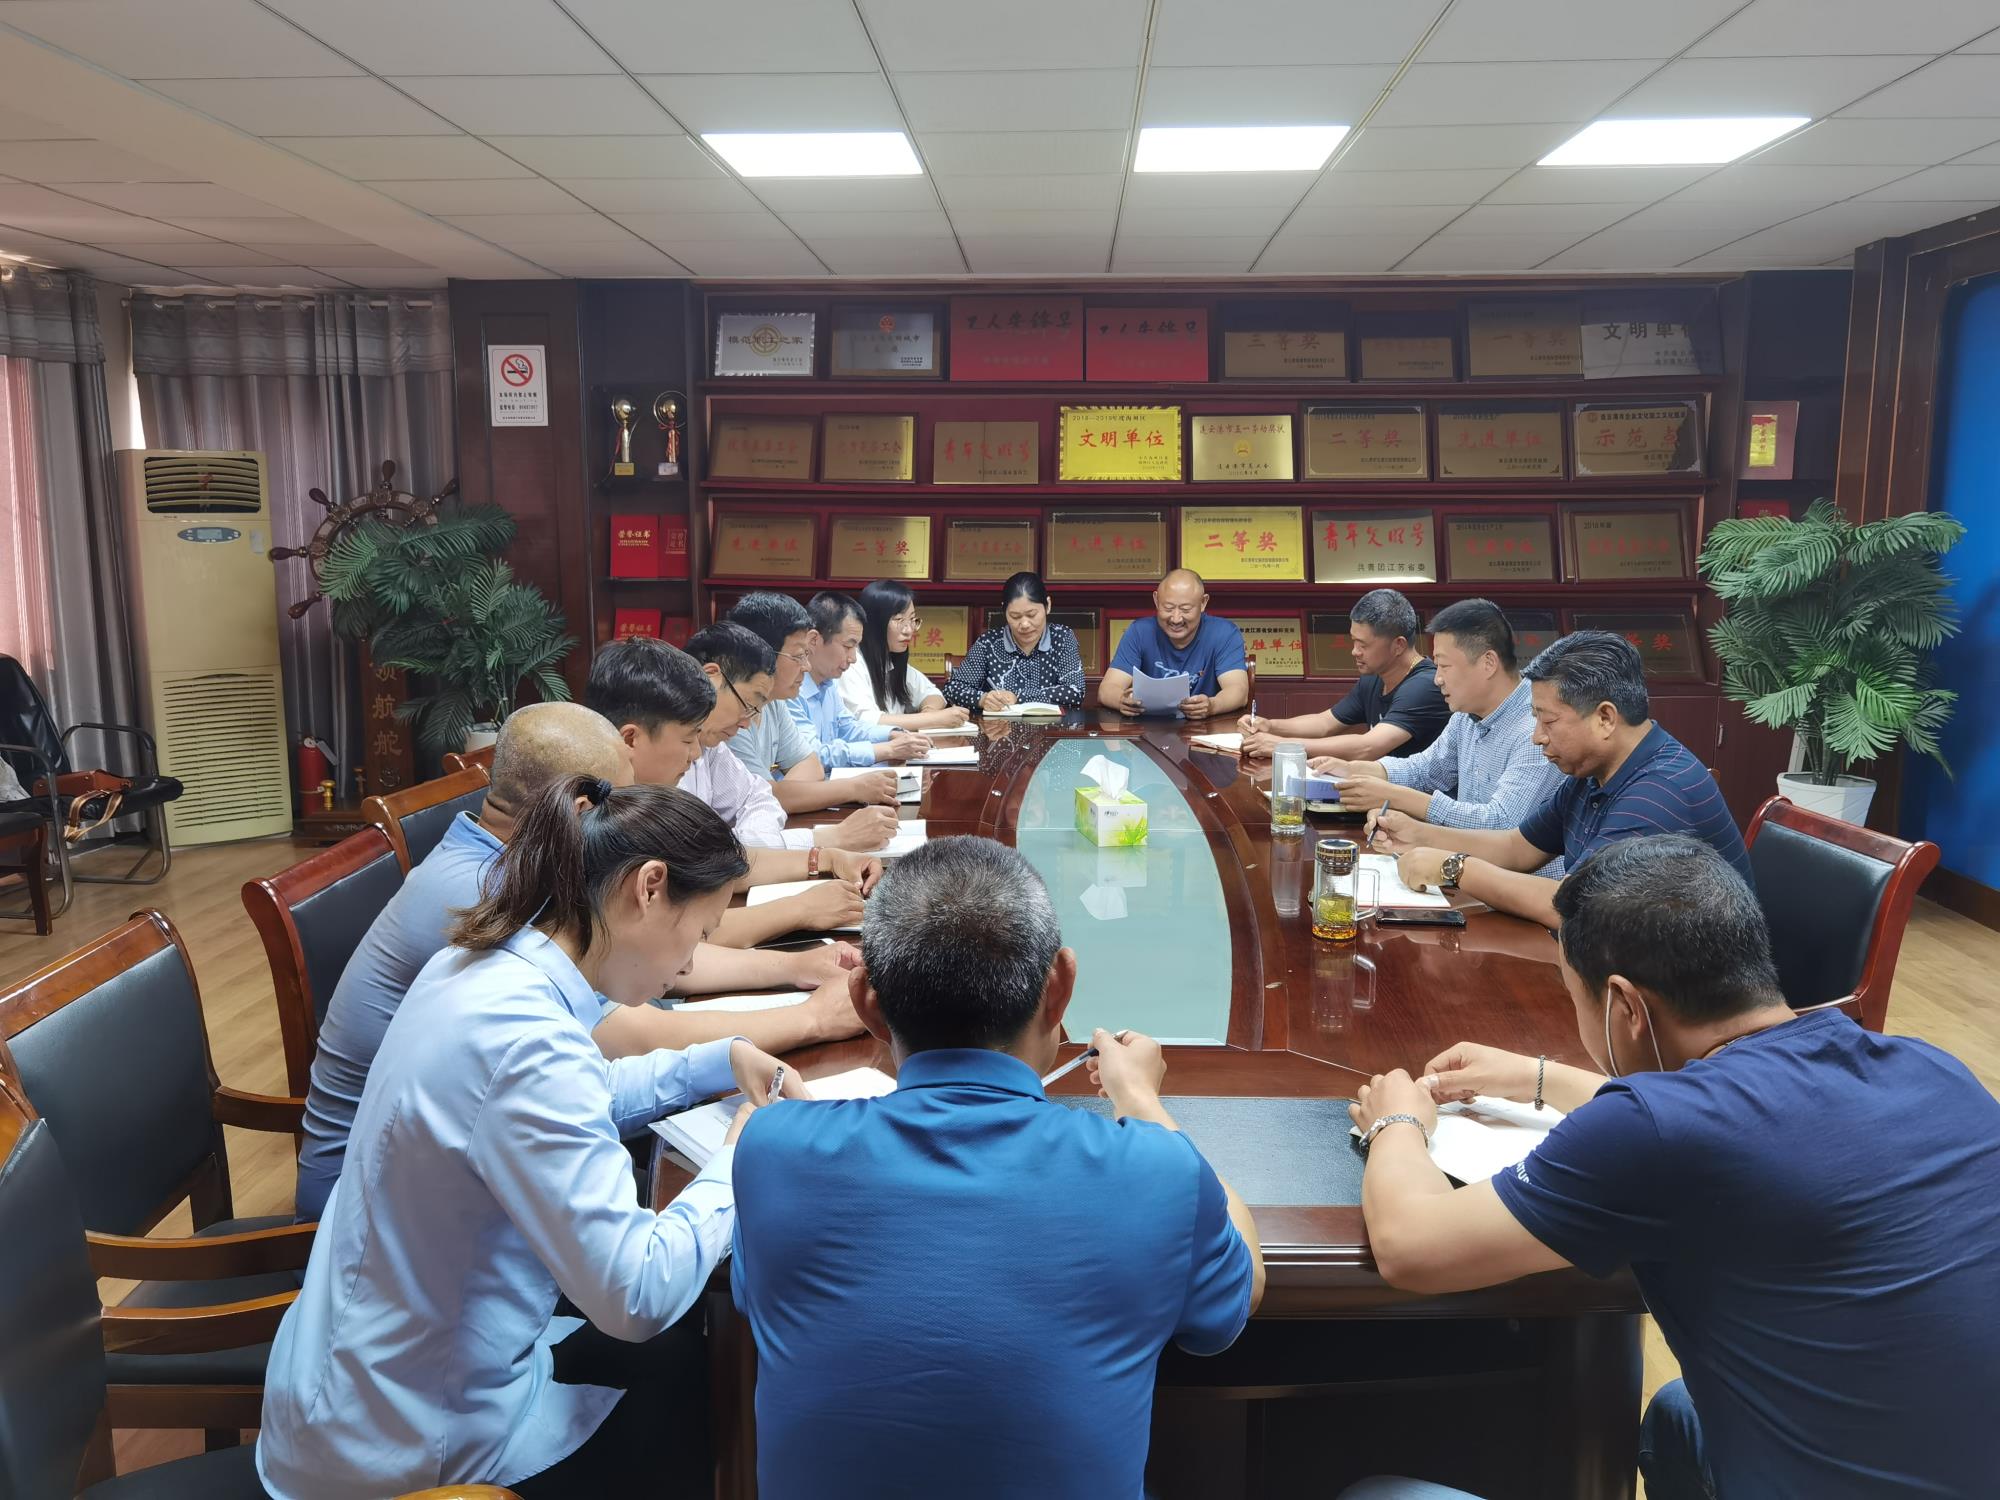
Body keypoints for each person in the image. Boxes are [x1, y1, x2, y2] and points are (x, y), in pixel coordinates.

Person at [1347, 835, 2000, 1500]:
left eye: (1574, 996)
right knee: (1677, 1414)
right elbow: (1730, 1122)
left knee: (1376, 1496)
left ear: (1625, 1006)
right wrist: (1539, 1077)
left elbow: (1410, 1247)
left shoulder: (1654, 1132)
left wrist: (1397, 1121)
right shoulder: (1933, 1068)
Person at [259, 777, 811, 1498]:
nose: (687, 963)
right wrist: (742, 1155)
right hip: (410, 1444)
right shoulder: (526, 1039)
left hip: (358, 1377)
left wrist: (717, 1060)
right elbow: (636, 1296)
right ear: (648, 888)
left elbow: (569, 1098)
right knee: (703, 1394)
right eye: (699, 932)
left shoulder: (484, 959)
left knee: (690, 1359)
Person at [731, 836, 1266, 1499]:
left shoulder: (773, 1152)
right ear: (1060, 987)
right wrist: (1140, 1098)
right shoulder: (1157, 1172)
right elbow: (1241, 1289)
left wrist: (805, 1134)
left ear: (866, 1001)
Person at [292, 698, 860, 1222]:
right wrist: (810, 1020)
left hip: (443, 1167)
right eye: (622, 807)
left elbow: (659, 968)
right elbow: (631, 1035)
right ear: (582, 810)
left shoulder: (507, 860)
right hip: (382, 1203)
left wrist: (793, 968)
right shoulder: (492, 895)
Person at [1371, 631, 1750, 929]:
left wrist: (1455, 867)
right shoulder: (1594, 770)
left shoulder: (1657, 794)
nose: (1537, 736)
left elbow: (1574, 908)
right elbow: (1518, 847)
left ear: (1605, 718)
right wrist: (1418, 835)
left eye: (1548, 721)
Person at [589, 633, 888, 949]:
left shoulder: (651, 792)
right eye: (688, 740)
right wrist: (801, 909)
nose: (695, 754)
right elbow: (669, 940)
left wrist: (825, 858)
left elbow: (722, 861)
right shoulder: (602, 821)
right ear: (630, 740)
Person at [1314, 598, 1564, 875]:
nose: (1437, 679)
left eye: (1444, 666)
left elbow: (1501, 824)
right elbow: (1425, 770)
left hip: (1519, 889)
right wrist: (1355, 770)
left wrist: (1394, 796)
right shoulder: (1465, 716)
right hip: (1465, 873)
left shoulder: (1536, 728)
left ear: (1488, 663)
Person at [682, 622, 898, 854]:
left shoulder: (712, 747)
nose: (746, 723)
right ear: (712, 678)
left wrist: (755, 841)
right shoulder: (704, 738)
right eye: (798, 655)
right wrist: (826, 838)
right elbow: (702, 858)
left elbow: (761, 798)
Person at [727, 591, 906, 820]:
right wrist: (854, 788)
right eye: (798, 656)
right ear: (760, 653)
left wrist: (782, 794)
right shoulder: (731, 714)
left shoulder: (775, 702)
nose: (806, 666)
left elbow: (812, 765)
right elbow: (764, 797)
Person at [1239, 587, 1449, 761]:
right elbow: (1324, 723)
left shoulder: (1424, 686)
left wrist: (1282, 745)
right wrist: (1270, 725)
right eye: (1353, 641)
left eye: (1363, 645)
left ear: (1398, 645)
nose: (1354, 651)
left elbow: (1367, 747)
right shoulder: (1374, 677)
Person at [790, 591, 933, 768]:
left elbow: (849, 728)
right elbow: (811, 756)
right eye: (848, 646)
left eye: (856, 647)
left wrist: (893, 734)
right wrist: (888, 750)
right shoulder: (790, 688)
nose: (853, 658)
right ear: (814, 640)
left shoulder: (828, 683)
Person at [1098, 567, 1249, 720]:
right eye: (1168, 608)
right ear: (1156, 600)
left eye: (1186, 609)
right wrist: (1121, 701)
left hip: (1206, 728)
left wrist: (1212, 706)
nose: (1176, 619)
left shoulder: (1224, 633)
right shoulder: (1139, 632)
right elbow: (1107, 689)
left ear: (1203, 603)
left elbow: (1238, 691)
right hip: (1148, 727)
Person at [943, 571, 1085, 714]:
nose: (1024, 624)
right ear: (1004, 611)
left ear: (1047, 605)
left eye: (1032, 615)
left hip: (1053, 727)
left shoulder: (1062, 638)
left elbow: (1075, 691)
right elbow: (953, 690)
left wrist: (1018, 697)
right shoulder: (988, 643)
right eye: (1015, 616)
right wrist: (983, 699)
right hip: (999, 726)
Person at [841, 578, 970, 732]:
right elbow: (867, 721)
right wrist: (934, 719)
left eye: (912, 619)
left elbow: (932, 694)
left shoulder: (890, 661)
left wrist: (928, 713)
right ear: (875, 622)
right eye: (899, 620)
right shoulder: (850, 663)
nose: (909, 630)